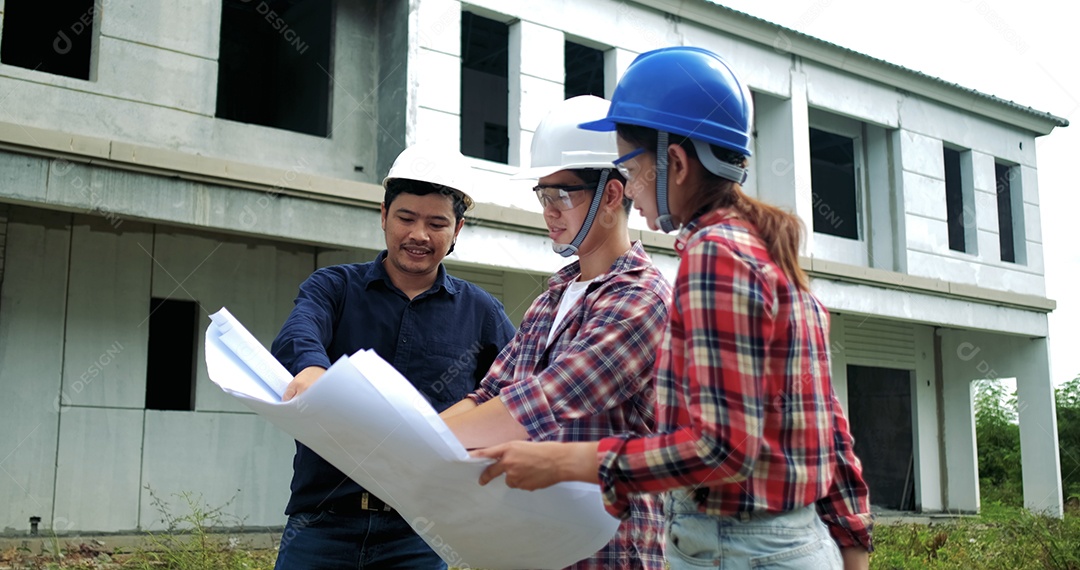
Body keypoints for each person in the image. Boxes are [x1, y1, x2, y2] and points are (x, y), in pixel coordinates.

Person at [472, 47, 874, 570]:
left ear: (676, 165)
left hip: (735, 547)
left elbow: (721, 449)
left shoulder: (713, 255)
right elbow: (829, 427)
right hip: (789, 543)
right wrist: (852, 544)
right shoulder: (762, 246)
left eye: (632, 170)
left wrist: (564, 461)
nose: (631, 191)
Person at [440, 95, 670, 569]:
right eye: (543, 196)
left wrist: (416, 443)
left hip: (608, 553)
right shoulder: (551, 298)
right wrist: (420, 434)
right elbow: (490, 395)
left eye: (561, 196)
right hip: (534, 547)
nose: (549, 211)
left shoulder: (641, 299)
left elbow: (544, 402)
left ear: (611, 193)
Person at [269, 143, 516, 570]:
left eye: (437, 223)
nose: (419, 235)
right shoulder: (335, 288)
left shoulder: (482, 314)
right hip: (322, 523)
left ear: (457, 230)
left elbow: (518, 390)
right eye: (406, 218)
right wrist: (311, 369)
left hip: (421, 533)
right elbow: (299, 329)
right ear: (384, 215)